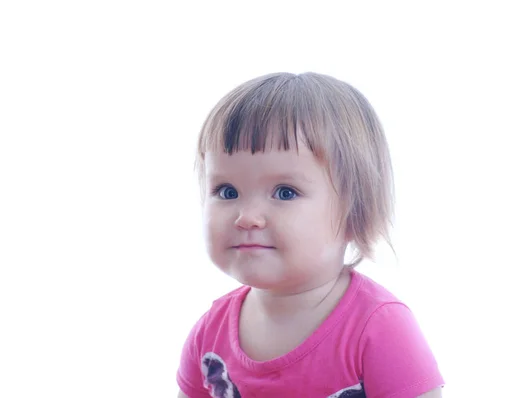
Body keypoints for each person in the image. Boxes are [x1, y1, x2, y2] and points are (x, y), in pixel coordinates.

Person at [176, 72, 444, 397]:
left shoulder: (380, 329)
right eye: (227, 191)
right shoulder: (209, 335)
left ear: (354, 211)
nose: (246, 217)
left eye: (285, 192)